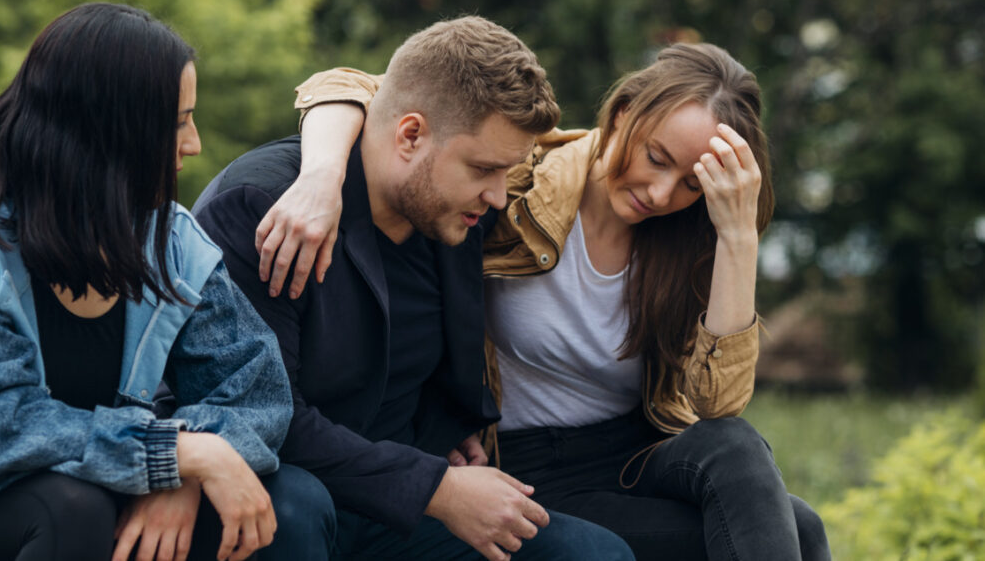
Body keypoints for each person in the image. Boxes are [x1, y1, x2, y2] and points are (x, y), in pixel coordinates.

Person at [255, 42, 833, 560]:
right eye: (657, 158)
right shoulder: (516, 177)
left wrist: (736, 237)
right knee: (796, 530)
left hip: (635, 455)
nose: (662, 193)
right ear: (624, 110)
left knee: (755, 472)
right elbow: (358, 89)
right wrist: (322, 176)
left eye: (691, 184)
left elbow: (719, 405)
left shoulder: (693, 239)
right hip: (525, 464)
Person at [0, 2, 326, 561]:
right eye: (177, 122)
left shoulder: (169, 240)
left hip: (99, 489)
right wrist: (177, 455)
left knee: (295, 505)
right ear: (108, 128)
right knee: (71, 508)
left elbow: (257, 393)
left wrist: (183, 475)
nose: (194, 143)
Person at [192, 16, 633, 561]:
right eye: (484, 169)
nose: (499, 197)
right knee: (292, 507)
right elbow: (261, 419)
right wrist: (435, 487)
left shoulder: (450, 208)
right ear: (410, 134)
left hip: (401, 509)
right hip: (291, 498)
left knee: (594, 555)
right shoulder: (264, 208)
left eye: (506, 172)